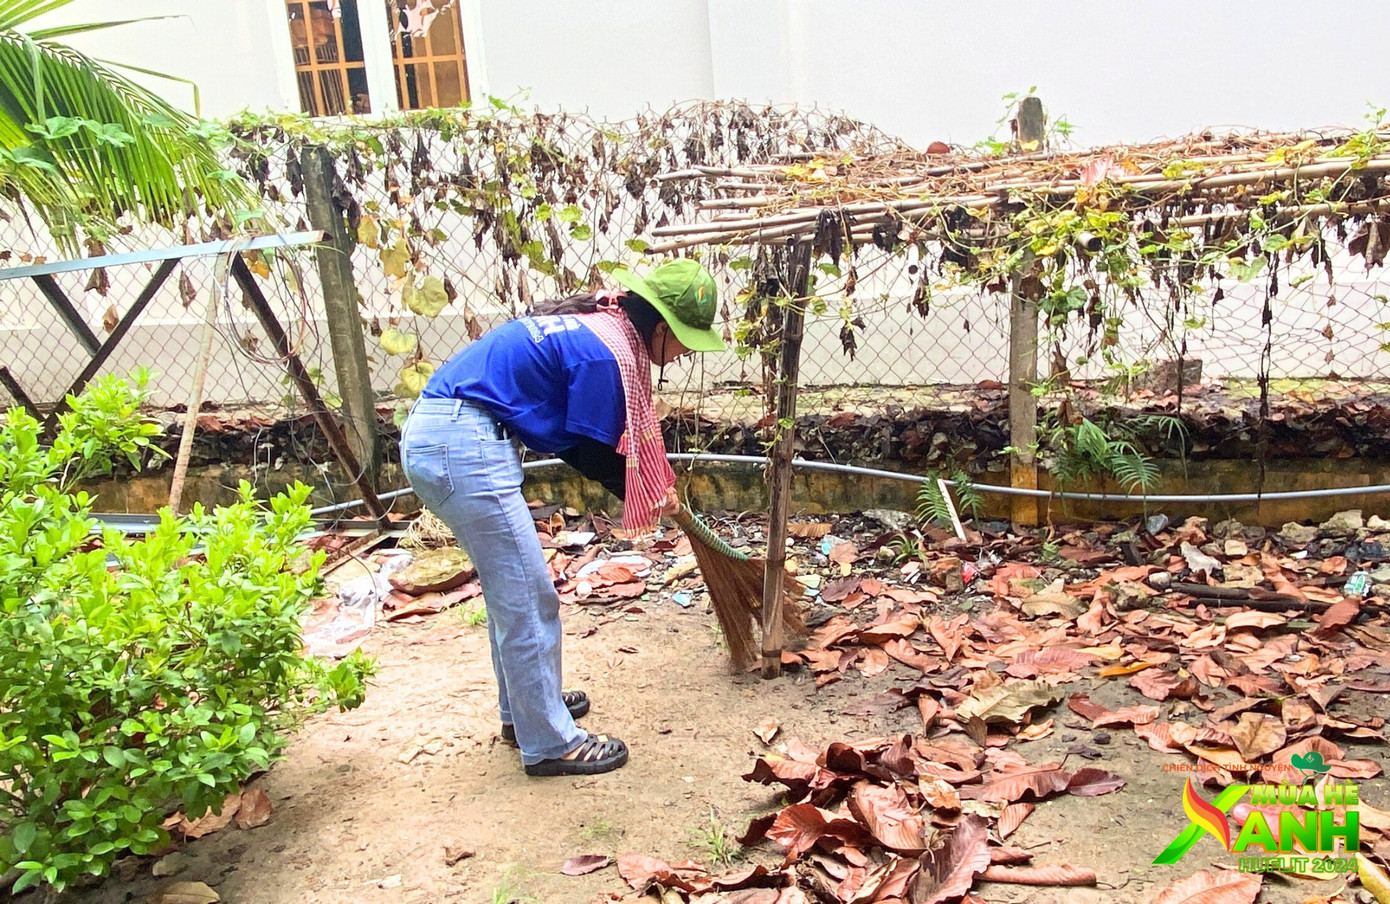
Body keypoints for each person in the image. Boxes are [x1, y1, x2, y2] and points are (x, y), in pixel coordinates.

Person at [398, 259, 723, 776]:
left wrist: (648, 486)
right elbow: (585, 448)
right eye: (685, 340)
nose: (683, 354)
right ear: (660, 327)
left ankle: (525, 713)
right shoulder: (605, 354)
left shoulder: (598, 329)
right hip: (462, 445)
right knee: (528, 596)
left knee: (515, 594)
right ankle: (551, 743)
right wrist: (650, 490)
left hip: (446, 437)